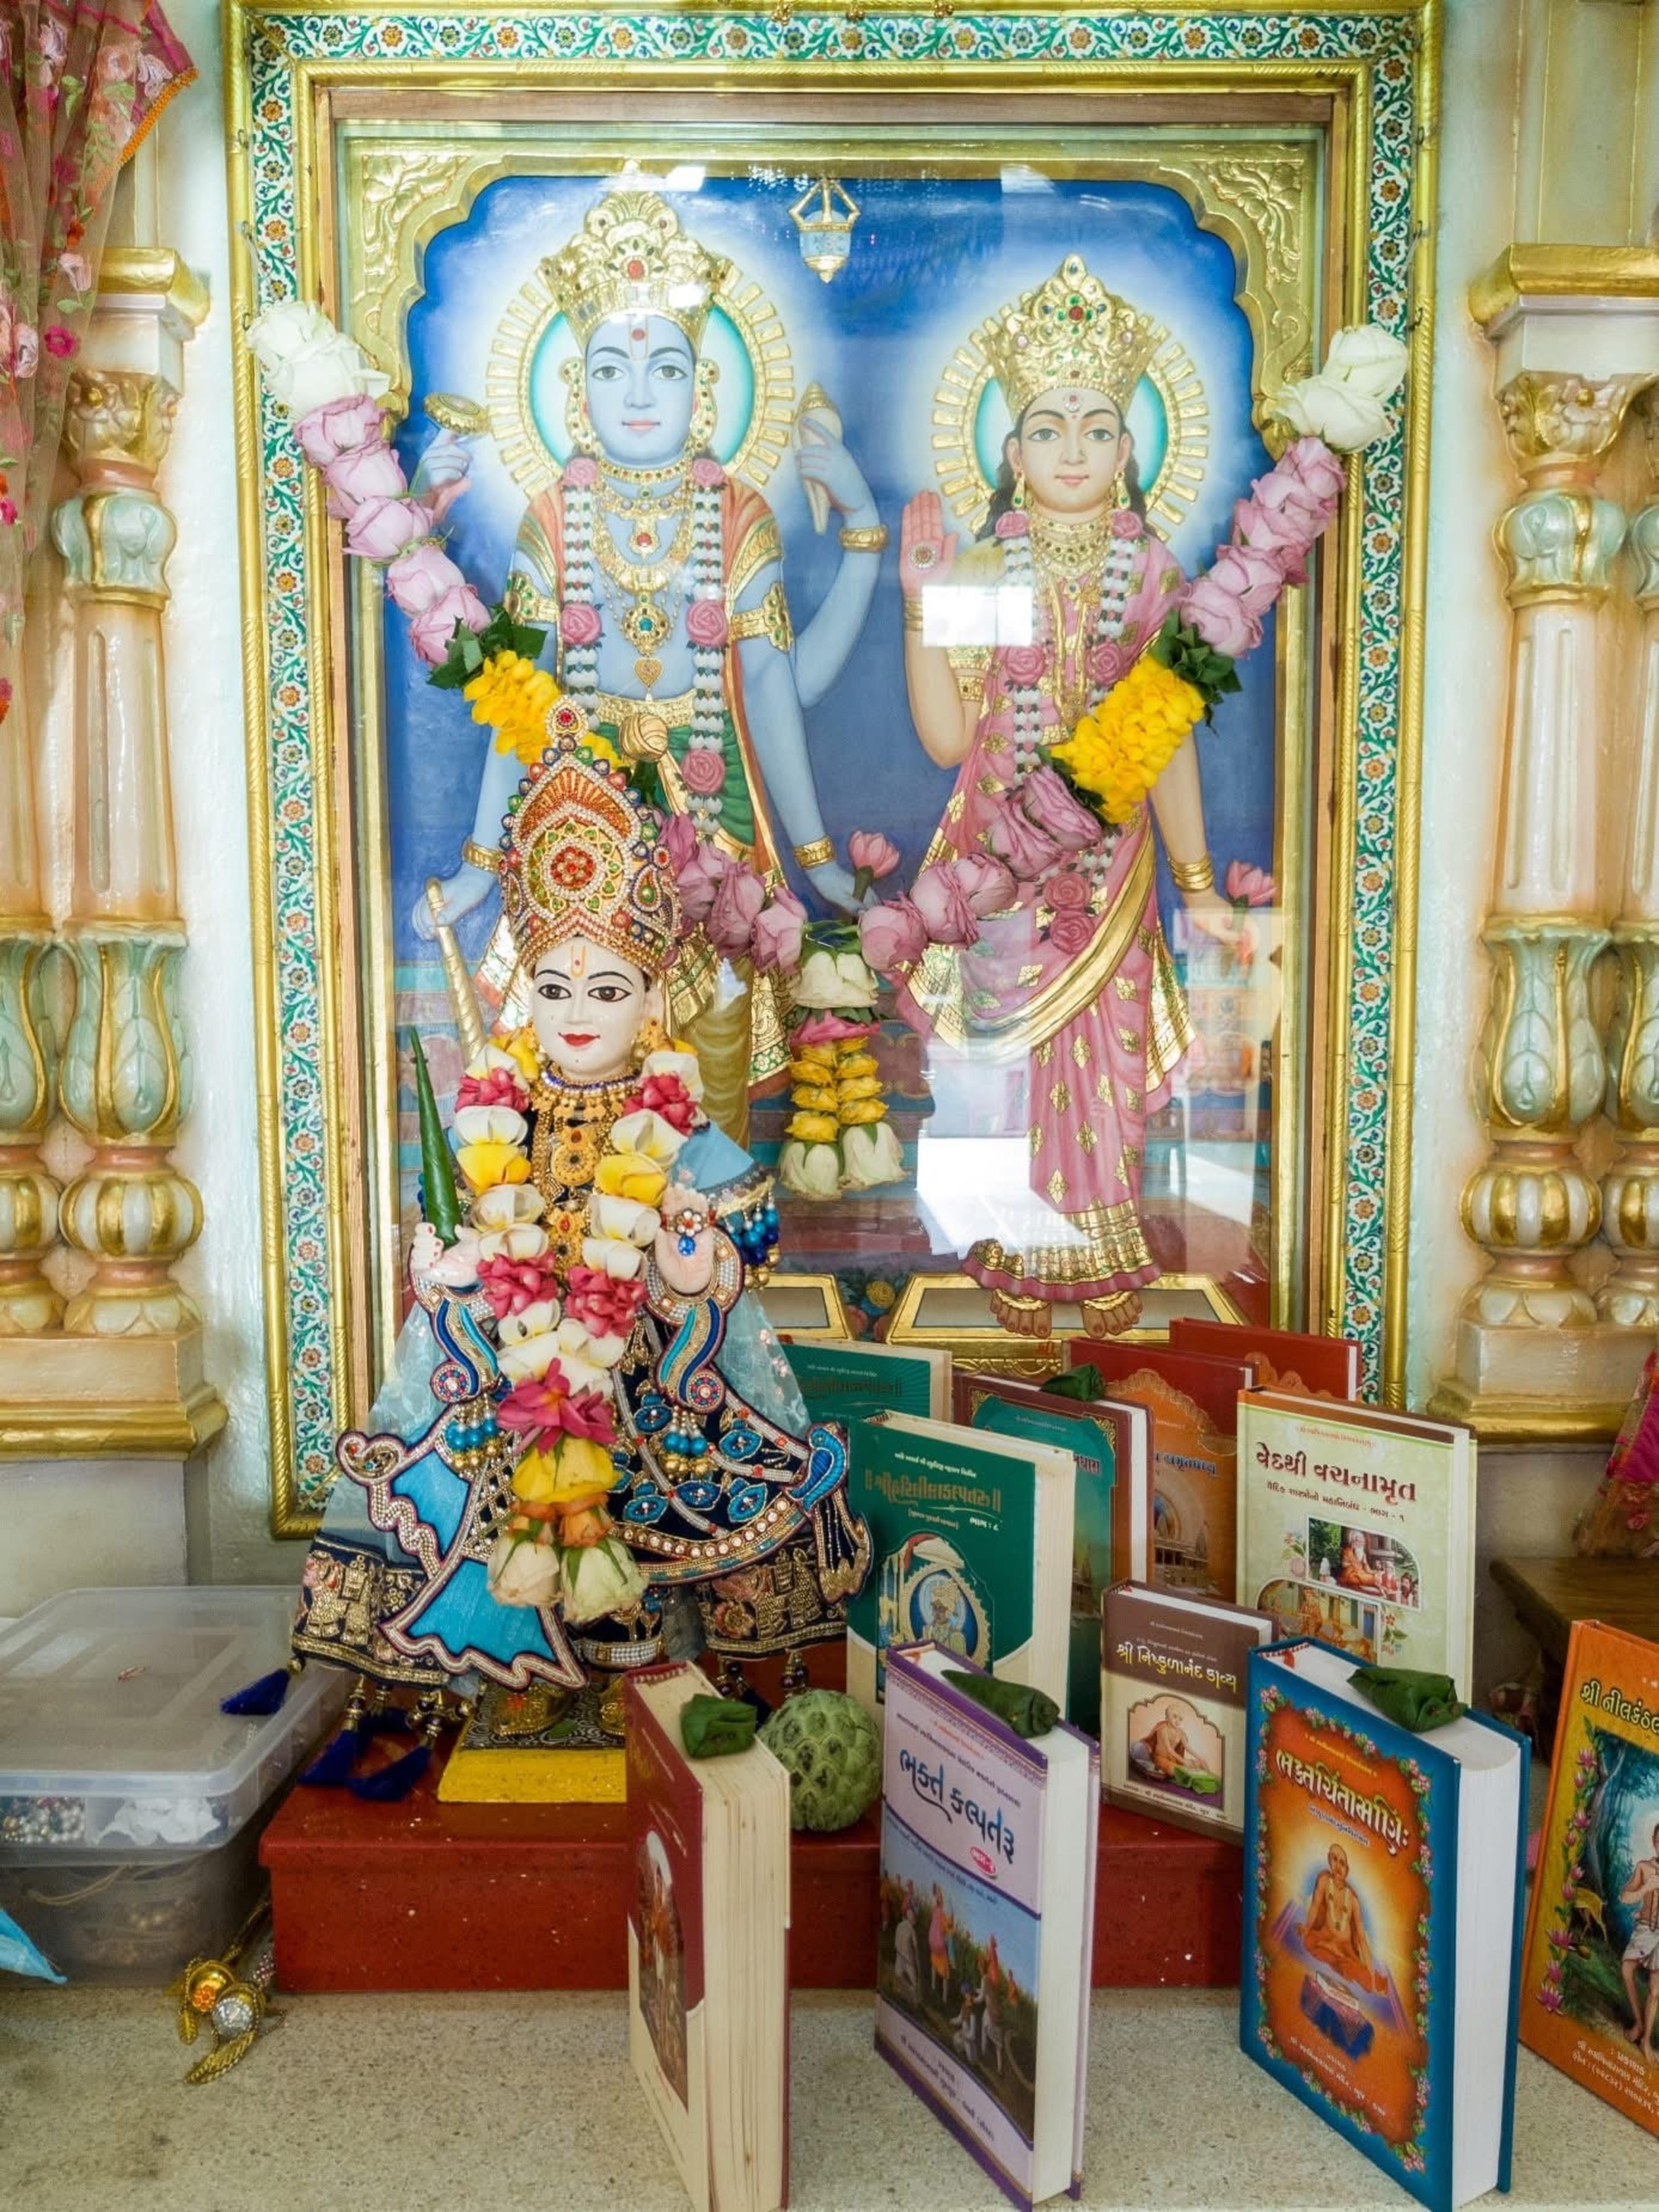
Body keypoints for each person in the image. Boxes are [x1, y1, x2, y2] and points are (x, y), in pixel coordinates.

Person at [292, 711, 871, 1707]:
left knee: (647, 1530)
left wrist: (698, 1260)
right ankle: (520, 1672)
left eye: (605, 991)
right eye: (555, 987)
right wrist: (446, 1266)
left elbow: (751, 1231)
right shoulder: (502, 1110)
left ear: (651, 1000)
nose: (575, 1013)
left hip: (642, 1365)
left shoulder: (673, 1113)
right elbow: (472, 1225)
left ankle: (640, 1674)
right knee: (495, 1478)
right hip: (521, 1368)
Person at [416, 184, 883, 1141]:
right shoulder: (553, 517)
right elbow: (516, 704)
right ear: (575, 393)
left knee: (714, 1072)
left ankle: (714, 1231)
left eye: (665, 369)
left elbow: (777, 689)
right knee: (581, 1065)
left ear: (702, 389)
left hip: (716, 826)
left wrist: (815, 856)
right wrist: (479, 863)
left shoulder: (737, 512)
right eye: (612, 370)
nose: (638, 395)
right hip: (580, 831)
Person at [895, 256, 1242, 1336]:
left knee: (1103, 1055)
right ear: (1010, 453)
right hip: (999, 867)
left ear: (1130, 451)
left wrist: (1197, 882)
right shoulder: (976, 571)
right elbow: (949, 738)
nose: (1074, 450)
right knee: (1001, 1071)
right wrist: (918, 605)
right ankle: (1008, 1249)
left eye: (1097, 428)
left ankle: (1098, 1249)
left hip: (1111, 869)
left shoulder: (1154, 576)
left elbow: (1165, 742)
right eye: (1047, 429)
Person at [1300, 1845, 1386, 1993]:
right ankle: (1332, 1950)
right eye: (1335, 1860)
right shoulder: (1324, 1881)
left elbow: (1361, 1939)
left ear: (1347, 1870)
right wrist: (1307, 1928)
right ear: (1329, 1861)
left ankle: (1337, 1953)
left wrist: (1371, 1974)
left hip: (1345, 1949)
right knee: (1307, 1941)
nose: (1338, 1866)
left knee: (1366, 1979)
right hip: (1325, 1936)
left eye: (1342, 1863)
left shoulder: (1353, 1900)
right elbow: (1315, 1906)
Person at [1620, 1818, 1659, 2058]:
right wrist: (1645, 1889)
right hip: (1645, 1931)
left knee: (1655, 1991)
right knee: (1627, 1969)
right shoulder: (1644, 1867)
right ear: (1654, 1842)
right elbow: (1625, 1897)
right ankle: (1639, 2023)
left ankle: (1646, 2041)